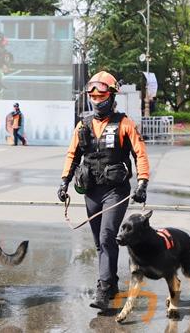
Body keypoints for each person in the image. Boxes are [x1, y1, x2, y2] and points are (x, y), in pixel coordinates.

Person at [57, 71, 150, 310]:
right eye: (94, 96)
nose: (97, 99)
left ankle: (102, 288)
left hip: (116, 192)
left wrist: (142, 183)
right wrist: (64, 181)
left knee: (108, 236)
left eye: (102, 95)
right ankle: (112, 284)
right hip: (91, 191)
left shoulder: (124, 124)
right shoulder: (83, 125)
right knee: (100, 242)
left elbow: (139, 153)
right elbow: (72, 154)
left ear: (111, 95)